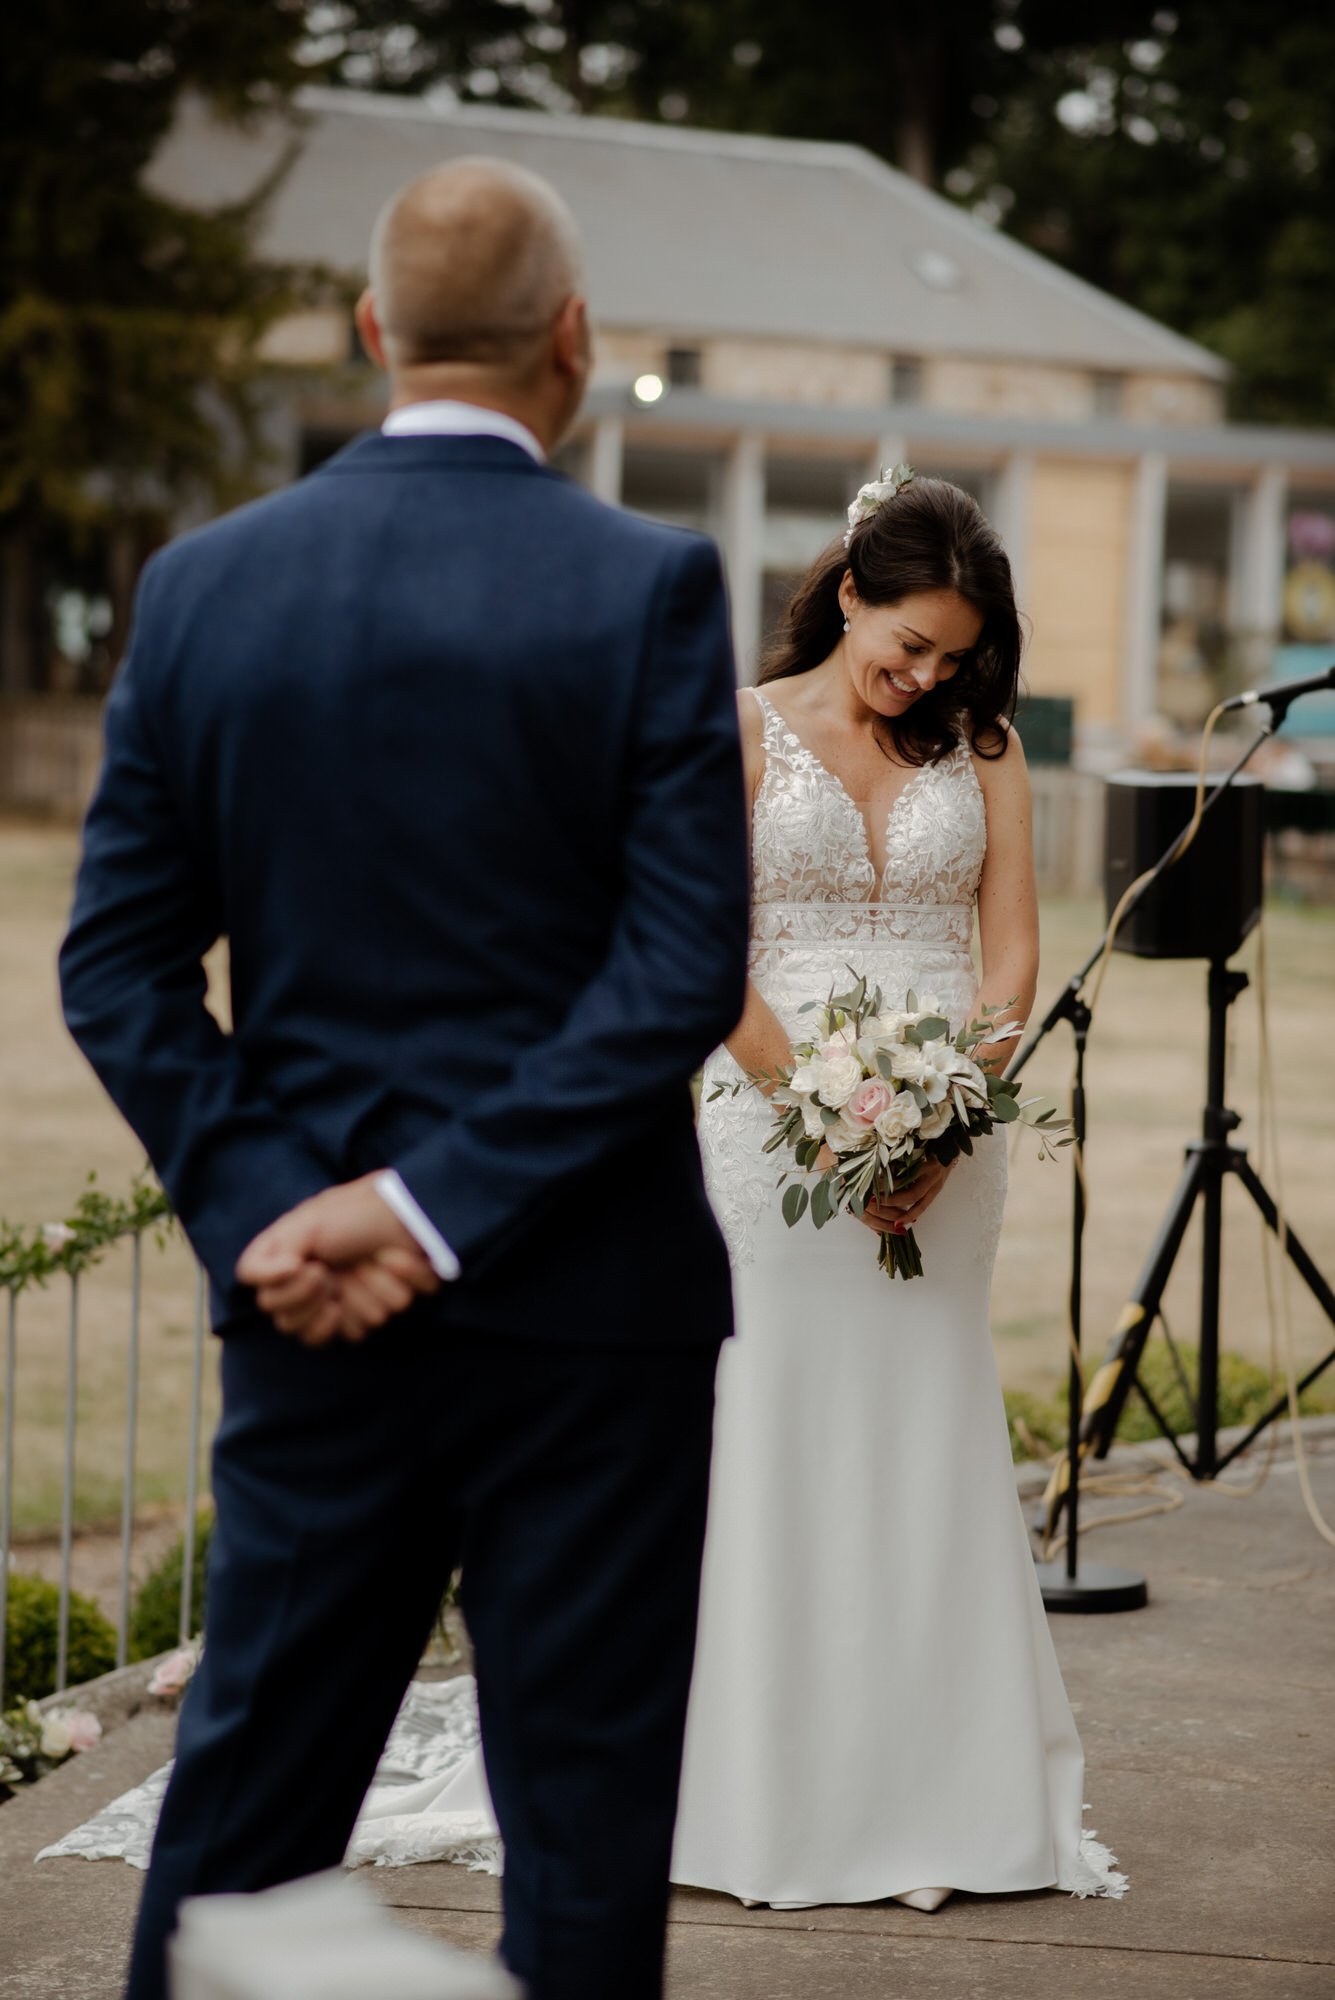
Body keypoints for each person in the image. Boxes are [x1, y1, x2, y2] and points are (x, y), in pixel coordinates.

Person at [58, 156, 750, 2000]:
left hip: (311, 1322)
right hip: (589, 1320)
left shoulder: (205, 588)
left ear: (373, 332)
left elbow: (113, 964)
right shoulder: (651, 584)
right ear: (575, 342)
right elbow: (680, 968)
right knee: (584, 1851)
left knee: (236, 1831)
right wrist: (430, 1209)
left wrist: (286, 1204)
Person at [674, 470, 1123, 1908]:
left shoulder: (982, 748)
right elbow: (705, 954)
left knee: (921, 1426)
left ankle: (939, 1781)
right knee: (775, 1418)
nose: (922, 674)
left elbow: (1010, 965)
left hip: (951, 1138)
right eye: (908, 641)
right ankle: (756, 1788)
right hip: (767, 1131)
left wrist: (946, 1120)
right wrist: (815, 1110)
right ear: (851, 591)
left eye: (950, 656)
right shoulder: (736, 730)